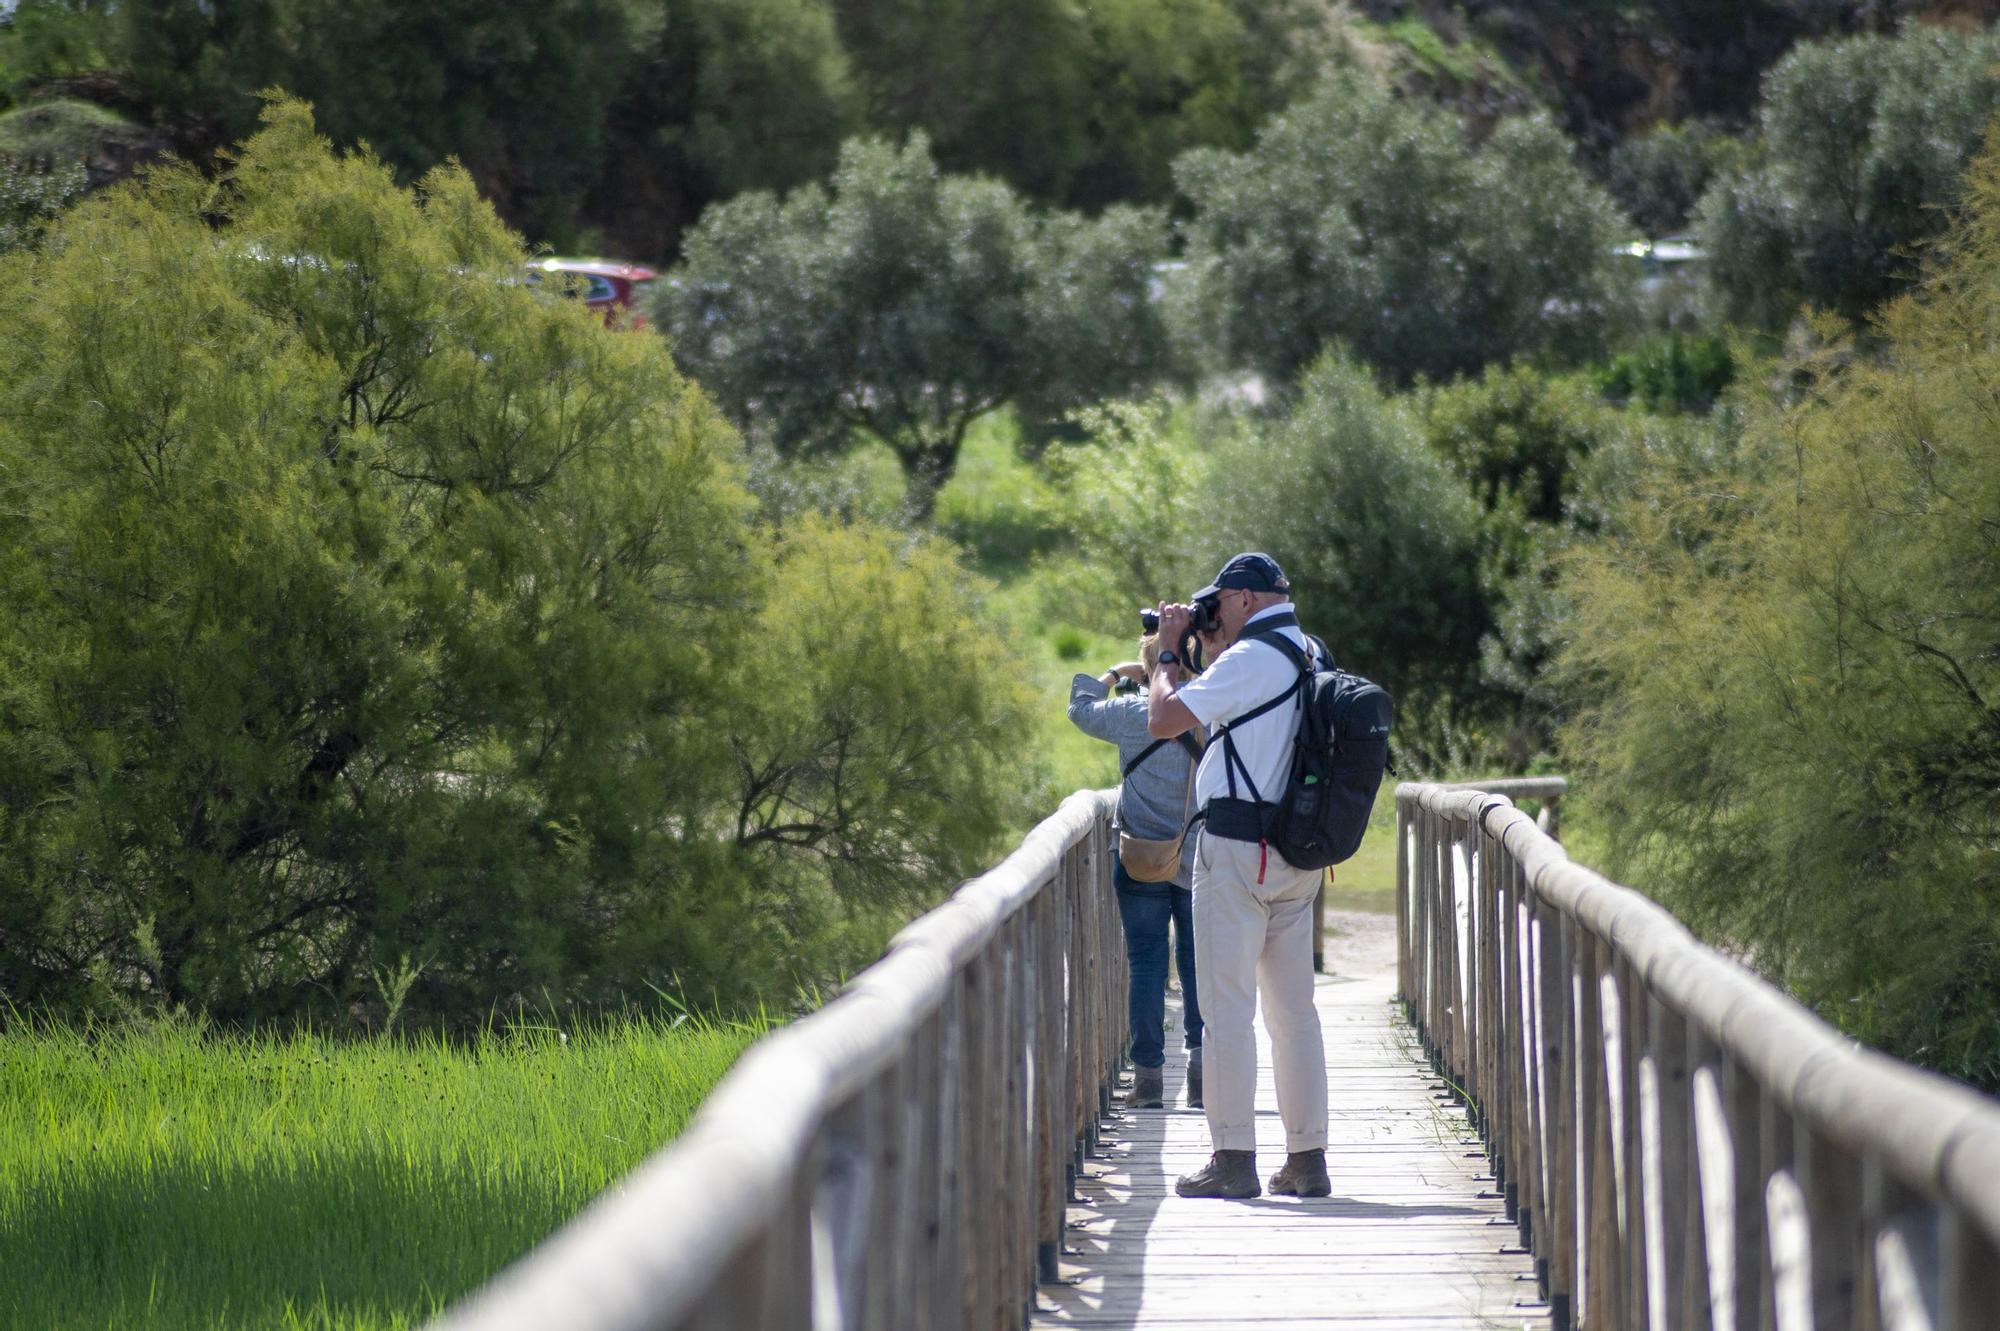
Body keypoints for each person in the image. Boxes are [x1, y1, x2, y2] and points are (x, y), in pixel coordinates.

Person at [1145, 552, 1331, 1200]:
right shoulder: (1311, 652)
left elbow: (1164, 719)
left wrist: (1169, 653)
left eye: (1218, 603)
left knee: (1225, 1007)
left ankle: (1233, 1157)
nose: (1211, 614)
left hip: (1235, 849)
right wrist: (1212, 651)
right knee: (1294, 1012)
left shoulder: (1249, 662)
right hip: (1296, 854)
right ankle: (1307, 1158)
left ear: (1246, 598)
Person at [1067, 629, 1204, 1110]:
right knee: (1196, 964)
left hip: (1140, 855)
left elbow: (1079, 710)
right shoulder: (1210, 707)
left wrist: (1114, 674)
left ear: (1149, 670)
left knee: (1147, 964)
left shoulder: (1133, 712)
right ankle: (1202, 1073)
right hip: (1197, 859)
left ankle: (1148, 1082)